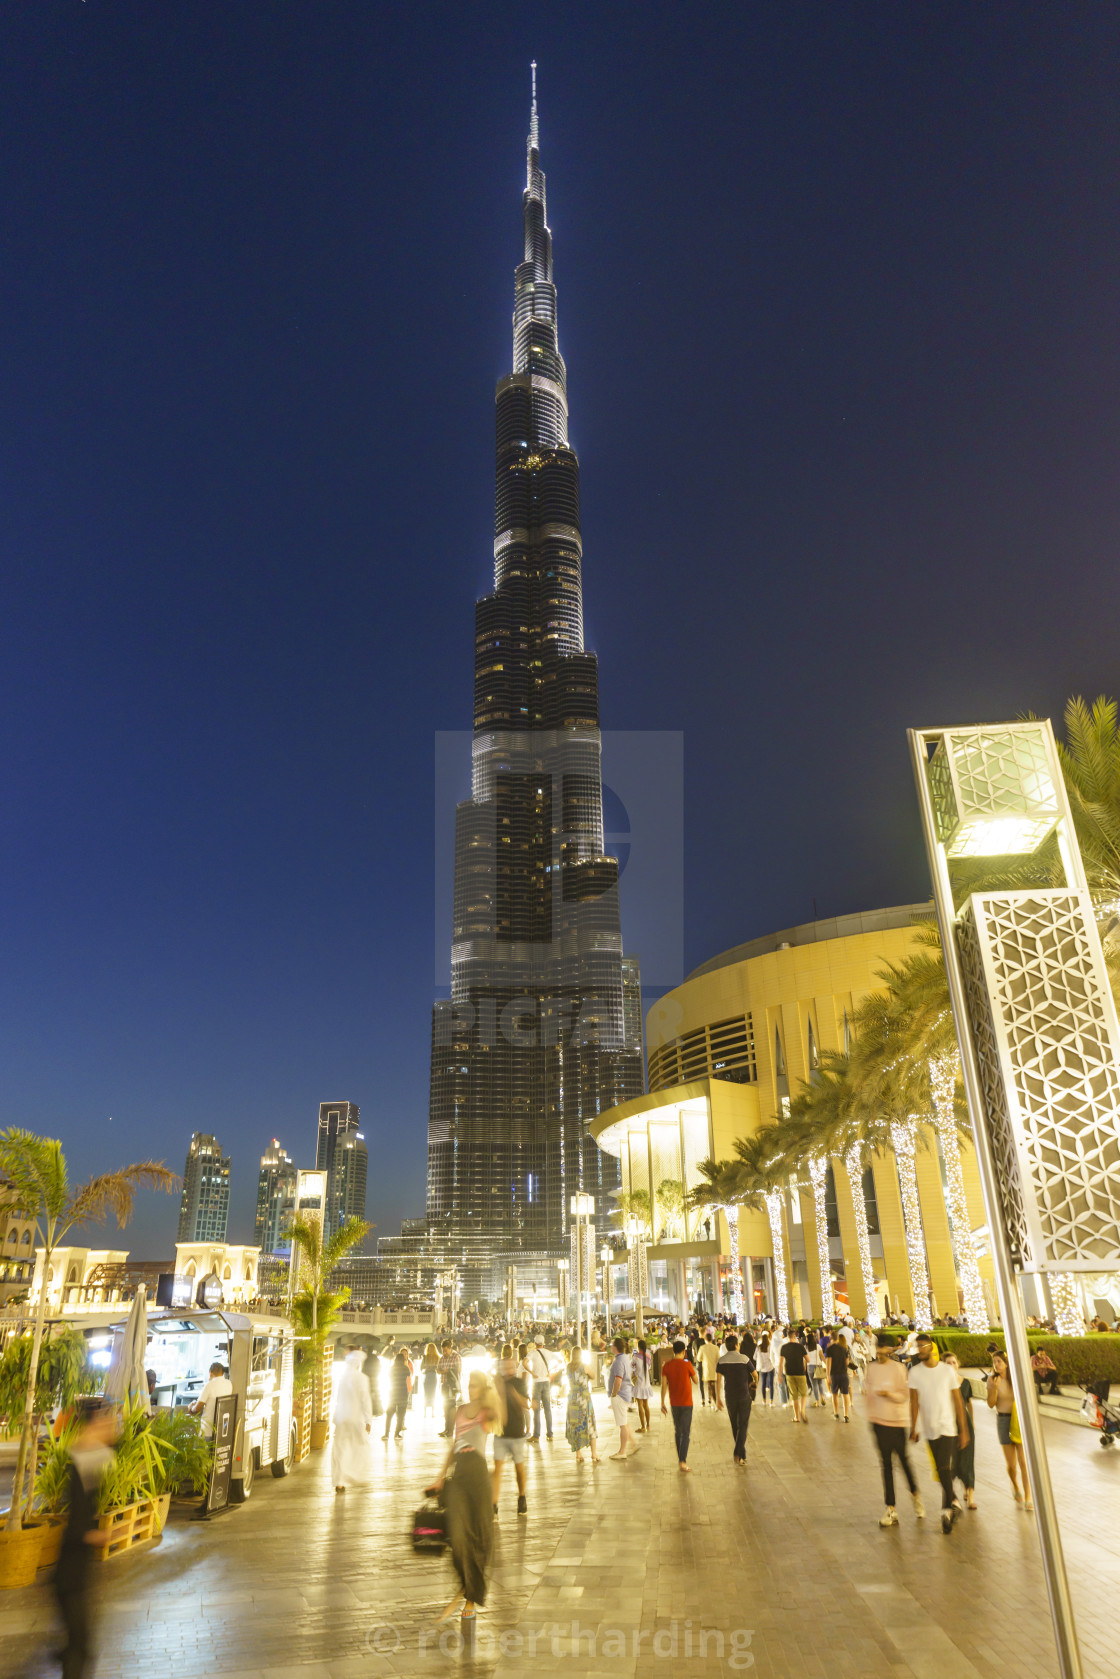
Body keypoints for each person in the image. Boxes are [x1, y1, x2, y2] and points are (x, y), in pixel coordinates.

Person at [429, 1370, 504, 1625]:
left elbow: (499, 1414)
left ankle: (470, 1597)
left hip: (479, 1474)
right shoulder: (459, 1411)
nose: (470, 1389)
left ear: (481, 1388)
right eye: (469, 1385)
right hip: (460, 1475)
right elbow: (454, 1445)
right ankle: (467, 1584)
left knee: (480, 1535)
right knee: (458, 1535)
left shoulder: (487, 1411)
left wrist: (494, 1387)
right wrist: (440, 1477)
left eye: (475, 1386)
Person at [53, 1398, 118, 1679]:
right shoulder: (81, 1465)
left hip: (75, 1575)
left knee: (79, 1645)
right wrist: (96, 1534)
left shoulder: (91, 1460)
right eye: (106, 1423)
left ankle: (63, 1655)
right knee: (81, 1647)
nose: (112, 1430)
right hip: (69, 1577)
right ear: (93, 1427)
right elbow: (75, 1530)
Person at [908, 1333, 969, 1532]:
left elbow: (958, 1402)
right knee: (942, 1470)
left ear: (931, 1347)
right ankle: (955, 1503)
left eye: (923, 1346)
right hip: (929, 1428)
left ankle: (946, 1510)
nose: (920, 1350)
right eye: (917, 1347)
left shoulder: (946, 1372)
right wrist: (914, 1428)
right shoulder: (915, 1372)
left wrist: (964, 1430)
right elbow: (914, 1402)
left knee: (943, 1467)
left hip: (947, 1427)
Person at [864, 1332, 923, 1527]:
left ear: (890, 1350)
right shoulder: (870, 1368)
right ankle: (891, 1508)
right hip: (878, 1423)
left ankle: (915, 1495)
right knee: (886, 1465)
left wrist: (888, 1393)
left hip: (897, 1423)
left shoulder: (899, 1369)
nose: (879, 1352)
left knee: (904, 1462)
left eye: (883, 1348)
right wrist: (871, 1417)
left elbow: (904, 1395)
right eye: (877, 1348)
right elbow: (869, 1393)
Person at [987, 1350, 1031, 1509]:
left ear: (1006, 1363)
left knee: (1023, 1462)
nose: (997, 1365)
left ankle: (1028, 1496)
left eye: (999, 1361)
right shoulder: (992, 1380)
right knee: (1011, 1465)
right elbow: (991, 1404)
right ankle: (1015, 1485)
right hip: (1003, 1420)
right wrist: (994, 1389)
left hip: (1018, 1421)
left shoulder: (1016, 1379)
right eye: (995, 1362)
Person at [492, 1344, 530, 1515]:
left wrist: (514, 1394)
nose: (506, 1370)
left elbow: (527, 1404)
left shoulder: (518, 1383)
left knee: (518, 1467)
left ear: (513, 1369)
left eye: (509, 1367)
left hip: (515, 1432)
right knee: (497, 1469)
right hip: (500, 1432)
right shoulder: (496, 1383)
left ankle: (522, 1496)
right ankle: (493, 1504)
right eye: (503, 1367)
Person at [331, 1347, 372, 1492]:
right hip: (355, 1418)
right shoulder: (362, 1378)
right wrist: (369, 1420)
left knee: (340, 1450)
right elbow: (365, 1401)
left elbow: (335, 1397)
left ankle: (340, 1482)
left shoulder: (340, 1377)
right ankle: (354, 1476)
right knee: (360, 1447)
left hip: (341, 1418)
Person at [660, 1338, 700, 1471]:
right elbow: (696, 1381)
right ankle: (683, 1461)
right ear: (684, 1351)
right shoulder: (687, 1364)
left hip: (674, 1403)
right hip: (687, 1403)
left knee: (678, 1431)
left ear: (673, 1350)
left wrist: (662, 1402)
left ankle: (680, 1459)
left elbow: (664, 1386)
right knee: (686, 1432)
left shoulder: (667, 1366)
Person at [944, 1354, 977, 1510]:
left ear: (958, 1364)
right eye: (948, 1363)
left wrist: (973, 1423)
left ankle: (970, 1496)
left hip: (965, 1423)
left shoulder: (965, 1383)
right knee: (953, 1461)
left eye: (953, 1362)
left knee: (968, 1459)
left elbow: (968, 1404)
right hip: (949, 1424)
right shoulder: (942, 1384)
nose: (951, 1365)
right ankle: (953, 1495)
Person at [716, 1332, 754, 1465]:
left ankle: (741, 1455)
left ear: (726, 1347)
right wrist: (753, 1383)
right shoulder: (744, 1359)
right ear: (737, 1345)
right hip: (744, 1395)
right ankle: (739, 1452)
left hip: (729, 1396)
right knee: (743, 1425)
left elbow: (718, 1381)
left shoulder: (721, 1360)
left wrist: (717, 1398)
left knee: (734, 1425)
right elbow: (755, 1374)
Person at [607, 1336, 638, 1460]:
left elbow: (618, 1379)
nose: (610, 1346)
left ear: (615, 1348)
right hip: (625, 1392)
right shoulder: (625, 1358)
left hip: (620, 1394)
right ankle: (633, 1443)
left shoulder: (619, 1361)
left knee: (622, 1424)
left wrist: (614, 1394)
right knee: (624, 1422)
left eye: (612, 1345)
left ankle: (622, 1451)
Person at [189, 1360, 232, 1439]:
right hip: (221, 1429)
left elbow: (198, 1408)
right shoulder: (229, 1384)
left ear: (211, 1373)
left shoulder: (209, 1385)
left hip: (207, 1430)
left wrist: (191, 1407)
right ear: (222, 1373)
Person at [526, 1335, 553, 1443]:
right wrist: (550, 1371)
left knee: (536, 1410)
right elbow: (560, 1363)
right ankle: (550, 1434)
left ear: (535, 1343)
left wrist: (532, 1373)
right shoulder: (548, 1353)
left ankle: (536, 1435)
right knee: (547, 1409)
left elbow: (524, 1363)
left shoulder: (532, 1353)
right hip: (546, 1382)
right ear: (543, 1342)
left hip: (536, 1383)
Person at [779, 1330, 809, 1423]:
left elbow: (780, 1363)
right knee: (803, 1394)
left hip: (789, 1373)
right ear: (795, 1336)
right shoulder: (800, 1346)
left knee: (794, 1396)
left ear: (788, 1337)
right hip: (800, 1372)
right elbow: (808, 1359)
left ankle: (797, 1417)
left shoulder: (784, 1347)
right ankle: (802, 1411)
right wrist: (804, 1364)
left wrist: (779, 1375)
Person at [383, 1347, 411, 1440]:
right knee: (401, 1415)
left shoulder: (392, 1369)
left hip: (393, 1392)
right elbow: (409, 1376)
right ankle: (396, 1434)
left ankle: (386, 1434)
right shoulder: (405, 1368)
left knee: (389, 1414)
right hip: (403, 1393)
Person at [825, 1331, 853, 1421]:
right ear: (837, 1338)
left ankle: (836, 1413)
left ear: (831, 1338)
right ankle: (846, 1415)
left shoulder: (829, 1349)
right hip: (844, 1374)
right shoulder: (844, 1349)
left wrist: (828, 1375)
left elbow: (828, 1363)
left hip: (834, 1374)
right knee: (845, 1394)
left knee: (834, 1394)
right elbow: (847, 1362)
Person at [437, 1339, 461, 1437]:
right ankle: (446, 1429)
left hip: (452, 1385)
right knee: (445, 1407)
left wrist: (448, 1371)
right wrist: (441, 1371)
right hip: (444, 1384)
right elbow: (438, 1368)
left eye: (446, 1350)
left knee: (451, 1406)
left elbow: (458, 1370)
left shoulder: (456, 1356)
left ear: (450, 1348)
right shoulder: (442, 1358)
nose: (444, 1353)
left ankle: (451, 1430)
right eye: (443, 1351)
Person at [631, 1338, 653, 1433]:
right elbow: (649, 1368)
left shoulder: (635, 1357)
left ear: (638, 1347)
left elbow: (631, 1368)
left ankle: (643, 1426)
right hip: (646, 1383)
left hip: (639, 1383)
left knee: (640, 1404)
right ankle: (648, 1425)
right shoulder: (648, 1357)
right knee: (646, 1405)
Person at [698, 1331, 720, 1408]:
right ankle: (711, 1400)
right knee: (712, 1385)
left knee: (709, 1385)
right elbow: (718, 1359)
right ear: (711, 1340)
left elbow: (698, 1358)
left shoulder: (702, 1348)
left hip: (706, 1369)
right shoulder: (716, 1348)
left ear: (705, 1340)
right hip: (714, 1369)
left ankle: (712, 1401)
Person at [805, 1332, 826, 1407]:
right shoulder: (818, 1346)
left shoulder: (805, 1347)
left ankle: (817, 1402)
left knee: (814, 1385)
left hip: (810, 1366)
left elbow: (805, 1360)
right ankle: (822, 1397)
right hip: (819, 1366)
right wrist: (826, 1364)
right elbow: (822, 1356)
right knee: (820, 1384)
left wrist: (804, 1368)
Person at [421, 1342, 441, 1418]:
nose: (430, 1351)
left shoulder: (437, 1357)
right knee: (426, 1394)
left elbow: (439, 1368)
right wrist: (426, 1369)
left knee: (433, 1394)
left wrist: (433, 1368)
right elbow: (421, 1368)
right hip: (427, 1376)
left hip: (433, 1376)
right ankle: (425, 1412)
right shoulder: (425, 1357)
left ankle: (432, 1412)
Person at [756, 1331, 775, 1407]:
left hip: (762, 1368)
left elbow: (754, 1357)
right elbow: (772, 1357)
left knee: (763, 1384)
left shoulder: (759, 1347)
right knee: (771, 1385)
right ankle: (771, 1402)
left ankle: (764, 1401)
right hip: (770, 1367)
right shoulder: (770, 1346)